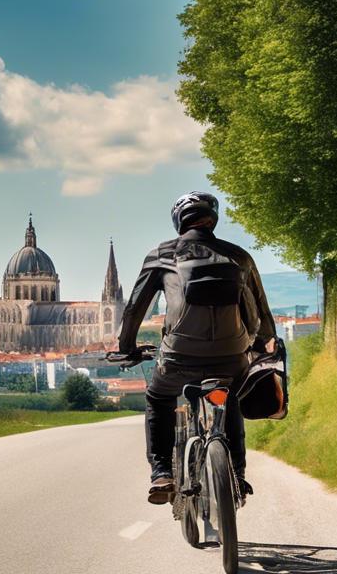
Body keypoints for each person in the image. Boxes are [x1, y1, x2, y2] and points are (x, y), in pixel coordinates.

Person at [116, 191, 276, 505]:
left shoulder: (162, 255)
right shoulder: (239, 256)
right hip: (231, 358)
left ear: (179, 221)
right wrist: (259, 345)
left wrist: (127, 347)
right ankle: (237, 476)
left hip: (178, 357)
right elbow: (262, 312)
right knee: (229, 402)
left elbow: (134, 309)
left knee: (159, 398)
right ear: (212, 218)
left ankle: (162, 472)